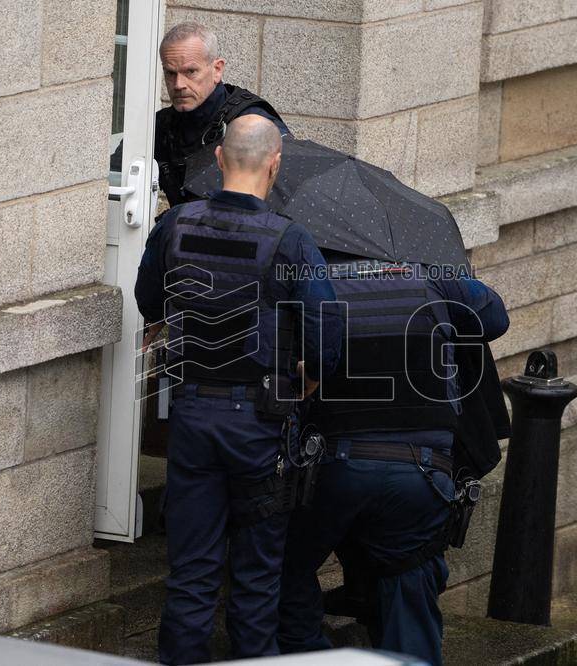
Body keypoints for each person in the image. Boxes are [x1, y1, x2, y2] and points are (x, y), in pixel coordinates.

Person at [134, 114, 341, 665]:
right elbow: (327, 335)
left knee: (192, 572)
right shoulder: (290, 239)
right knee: (256, 576)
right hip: (261, 423)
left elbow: (149, 301)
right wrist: (306, 384)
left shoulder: (176, 223)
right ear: (275, 164)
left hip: (194, 414)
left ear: (220, 160)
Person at [277, 256, 509, 666]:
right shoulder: (431, 278)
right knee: (410, 576)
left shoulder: (315, 281)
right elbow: (495, 318)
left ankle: (311, 656)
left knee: (282, 568)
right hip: (422, 474)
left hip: (333, 472)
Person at [111, 22, 288, 207]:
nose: (179, 84)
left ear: (217, 69)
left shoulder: (251, 122)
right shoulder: (160, 126)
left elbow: (282, 191)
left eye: (190, 72)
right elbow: (117, 177)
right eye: (170, 73)